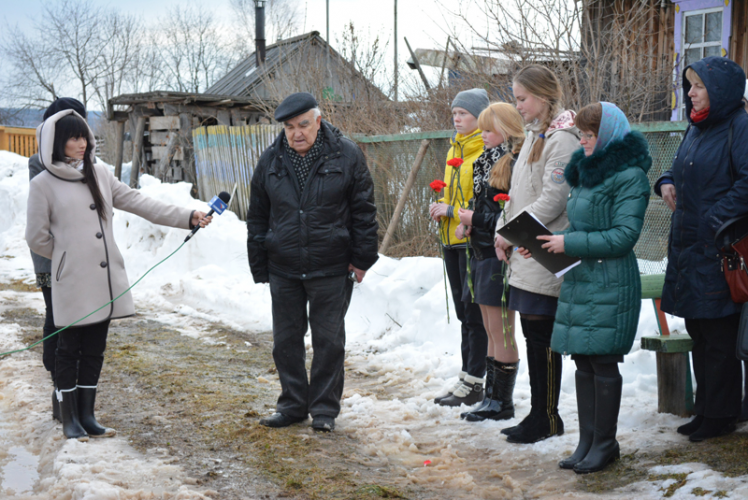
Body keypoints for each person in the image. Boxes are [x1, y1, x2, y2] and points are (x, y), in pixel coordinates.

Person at [26, 110, 212, 441]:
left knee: (95, 347)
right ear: (55, 142)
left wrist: (188, 216)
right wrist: (67, 258)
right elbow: (36, 237)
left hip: (103, 280)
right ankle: (69, 418)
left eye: (84, 136)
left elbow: (141, 203)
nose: (82, 143)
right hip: (70, 281)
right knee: (68, 347)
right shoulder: (43, 184)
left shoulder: (99, 174)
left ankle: (88, 415)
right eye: (73, 137)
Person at [246, 93, 378, 432]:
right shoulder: (271, 160)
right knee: (286, 341)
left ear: (318, 121)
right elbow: (258, 215)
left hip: (332, 265)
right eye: (289, 127)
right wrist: (260, 263)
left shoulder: (346, 154)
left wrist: (362, 258)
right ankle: (291, 406)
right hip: (284, 266)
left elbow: (364, 210)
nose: (296, 133)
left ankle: (324, 411)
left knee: (328, 342)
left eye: (303, 125)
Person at [534, 102, 651, 473]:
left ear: (610, 135)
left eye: (589, 135)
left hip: (610, 280)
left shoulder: (630, 176)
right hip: (583, 278)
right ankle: (587, 440)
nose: (582, 141)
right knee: (582, 360)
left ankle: (605, 443)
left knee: (602, 361)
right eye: (581, 134)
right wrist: (547, 241)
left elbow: (623, 236)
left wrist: (568, 244)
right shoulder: (588, 174)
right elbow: (582, 229)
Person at [655, 56, 748, 442]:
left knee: (720, 334)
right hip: (689, 246)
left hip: (721, 247)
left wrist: (713, 219)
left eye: (698, 86)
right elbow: (678, 168)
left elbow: (747, 183)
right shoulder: (697, 127)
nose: (690, 93)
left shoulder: (740, 127)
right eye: (689, 85)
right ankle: (706, 408)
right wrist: (664, 181)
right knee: (699, 328)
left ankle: (723, 414)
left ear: (720, 90)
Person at [494, 65, 580, 444]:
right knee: (532, 331)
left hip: (544, 247)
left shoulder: (562, 139)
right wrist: (505, 230)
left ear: (543, 98)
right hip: (525, 248)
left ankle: (547, 416)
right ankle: (539, 412)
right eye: (516, 98)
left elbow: (553, 198)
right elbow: (520, 194)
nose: (519, 106)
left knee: (541, 332)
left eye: (522, 99)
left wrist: (511, 235)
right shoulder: (534, 136)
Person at [455, 102, 524, 421]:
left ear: (506, 130)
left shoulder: (512, 163)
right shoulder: (488, 161)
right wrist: (469, 221)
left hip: (499, 254)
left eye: (488, 129)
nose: (482, 135)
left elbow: (507, 214)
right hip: (481, 252)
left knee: (502, 330)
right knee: (488, 326)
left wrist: (475, 218)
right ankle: (492, 397)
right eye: (481, 128)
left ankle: (502, 402)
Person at [429, 88, 490, 407]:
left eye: (463, 113)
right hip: (450, 240)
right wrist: (441, 204)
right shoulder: (456, 149)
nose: (456, 118)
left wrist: (453, 211)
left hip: (470, 241)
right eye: (454, 112)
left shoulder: (483, 150)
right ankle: (466, 378)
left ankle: (476, 381)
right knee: (464, 313)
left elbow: (479, 200)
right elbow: (456, 196)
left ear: (480, 117)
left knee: (474, 313)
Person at [28, 97, 87, 422]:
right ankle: (59, 387)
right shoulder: (40, 162)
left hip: (79, 259)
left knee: (76, 322)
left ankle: (68, 392)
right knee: (57, 319)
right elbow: (43, 221)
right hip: (52, 259)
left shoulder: (82, 158)